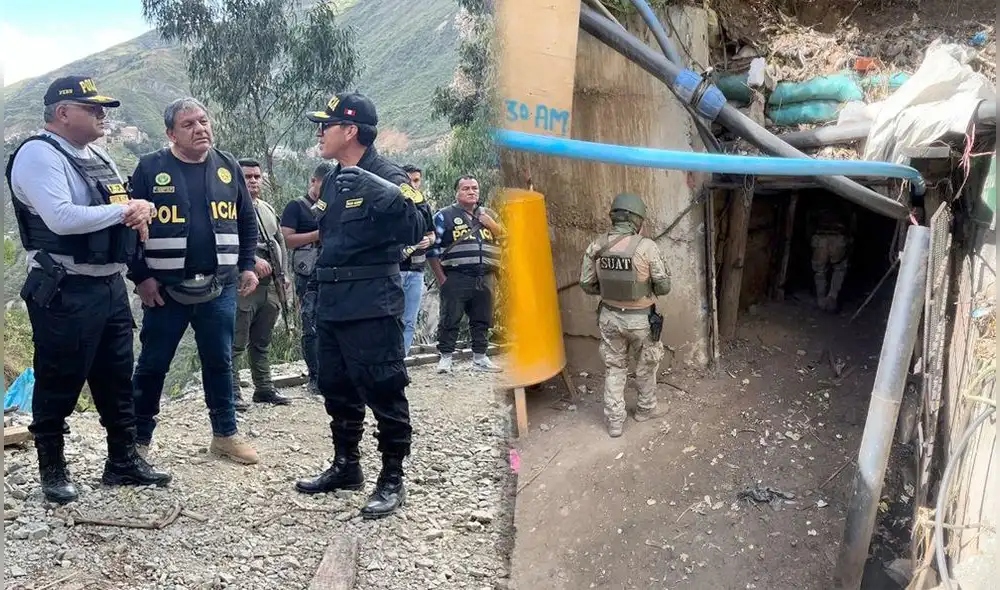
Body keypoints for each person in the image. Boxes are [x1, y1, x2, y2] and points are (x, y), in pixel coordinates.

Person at [5, 75, 171, 503]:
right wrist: (125, 211)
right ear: (63, 113)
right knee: (60, 378)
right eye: (91, 107)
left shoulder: (96, 155)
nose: (102, 114)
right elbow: (61, 218)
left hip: (108, 284)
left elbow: (122, 207)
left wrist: (140, 209)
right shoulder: (38, 155)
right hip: (65, 287)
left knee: (116, 376)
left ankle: (122, 462)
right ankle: (53, 470)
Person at [293, 92, 427, 520]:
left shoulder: (387, 174)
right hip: (331, 299)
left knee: (384, 387)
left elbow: (419, 225)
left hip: (371, 301)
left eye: (326, 125)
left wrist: (386, 191)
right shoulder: (333, 178)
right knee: (336, 387)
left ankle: (391, 478)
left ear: (350, 131)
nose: (320, 132)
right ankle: (346, 466)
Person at [127, 97, 260, 465]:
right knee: (154, 364)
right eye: (188, 124)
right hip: (164, 290)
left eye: (203, 121)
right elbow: (129, 229)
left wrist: (246, 265)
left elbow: (245, 221)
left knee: (219, 361)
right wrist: (141, 277)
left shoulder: (227, 165)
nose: (200, 128)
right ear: (171, 133)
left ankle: (225, 435)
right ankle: (137, 442)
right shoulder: (150, 168)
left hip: (220, 287)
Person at [579, 193, 671, 438]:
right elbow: (664, 287)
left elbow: (586, 284)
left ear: (614, 216)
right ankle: (645, 409)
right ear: (637, 220)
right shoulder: (647, 247)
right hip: (641, 320)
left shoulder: (596, 245)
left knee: (615, 368)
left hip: (609, 318)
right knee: (646, 366)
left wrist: (609, 291)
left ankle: (615, 422)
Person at [231, 158, 292, 409]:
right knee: (236, 342)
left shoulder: (266, 208)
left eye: (257, 176)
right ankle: (231, 391)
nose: (253, 181)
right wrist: (251, 260)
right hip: (243, 284)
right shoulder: (230, 208)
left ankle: (264, 388)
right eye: (247, 176)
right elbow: (226, 241)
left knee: (262, 340)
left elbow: (280, 243)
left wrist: (284, 275)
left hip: (270, 285)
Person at [426, 175, 503, 373]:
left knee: (482, 318)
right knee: (450, 318)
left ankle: (480, 357)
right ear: (457, 193)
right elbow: (432, 249)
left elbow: (506, 237)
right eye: (466, 188)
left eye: (474, 188)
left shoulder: (489, 215)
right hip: (456, 276)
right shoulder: (444, 215)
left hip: (485, 275)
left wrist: (490, 224)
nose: (471, 191)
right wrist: (442, 279)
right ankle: (445, 358)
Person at [279, 162, 333, 394]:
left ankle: (333, 375)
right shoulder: (297, 206)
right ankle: (315, 378)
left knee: (332, 327)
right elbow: (286, 240)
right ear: (314, 181)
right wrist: (318, 235)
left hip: (333, 274)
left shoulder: (333, 205)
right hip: (307, 276)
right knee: (310, 326)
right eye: (324, 184)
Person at [399, 164, 435, 356]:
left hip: (417, 270)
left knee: (409, 319)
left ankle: (402, 360)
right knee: (391, 319)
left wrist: (428, 240)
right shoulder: (391, 204)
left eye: (416, 180)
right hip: (394, 270)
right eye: (408, 180)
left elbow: (432, 234)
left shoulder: (424, 206)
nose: (413, 185)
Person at [808, 198, 856, 312]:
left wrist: (810, 238)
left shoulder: (818, 204)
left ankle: (821, 300)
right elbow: (853, 223)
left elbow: (810, 220)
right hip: (839, 238)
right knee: (840, 268)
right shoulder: (847, 204)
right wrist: (850, 240)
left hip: (820, 237)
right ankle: (832, 298)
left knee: (819, 271)